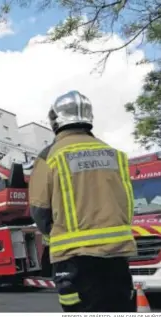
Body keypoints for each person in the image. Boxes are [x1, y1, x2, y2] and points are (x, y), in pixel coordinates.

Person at [28, 90, 137, 312]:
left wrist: (55, 233)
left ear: (55, 120)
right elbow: (126, 202)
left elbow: (39, 210)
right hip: (117, 256)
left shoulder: (49, 155)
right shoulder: (113, 153)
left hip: (74, 259)